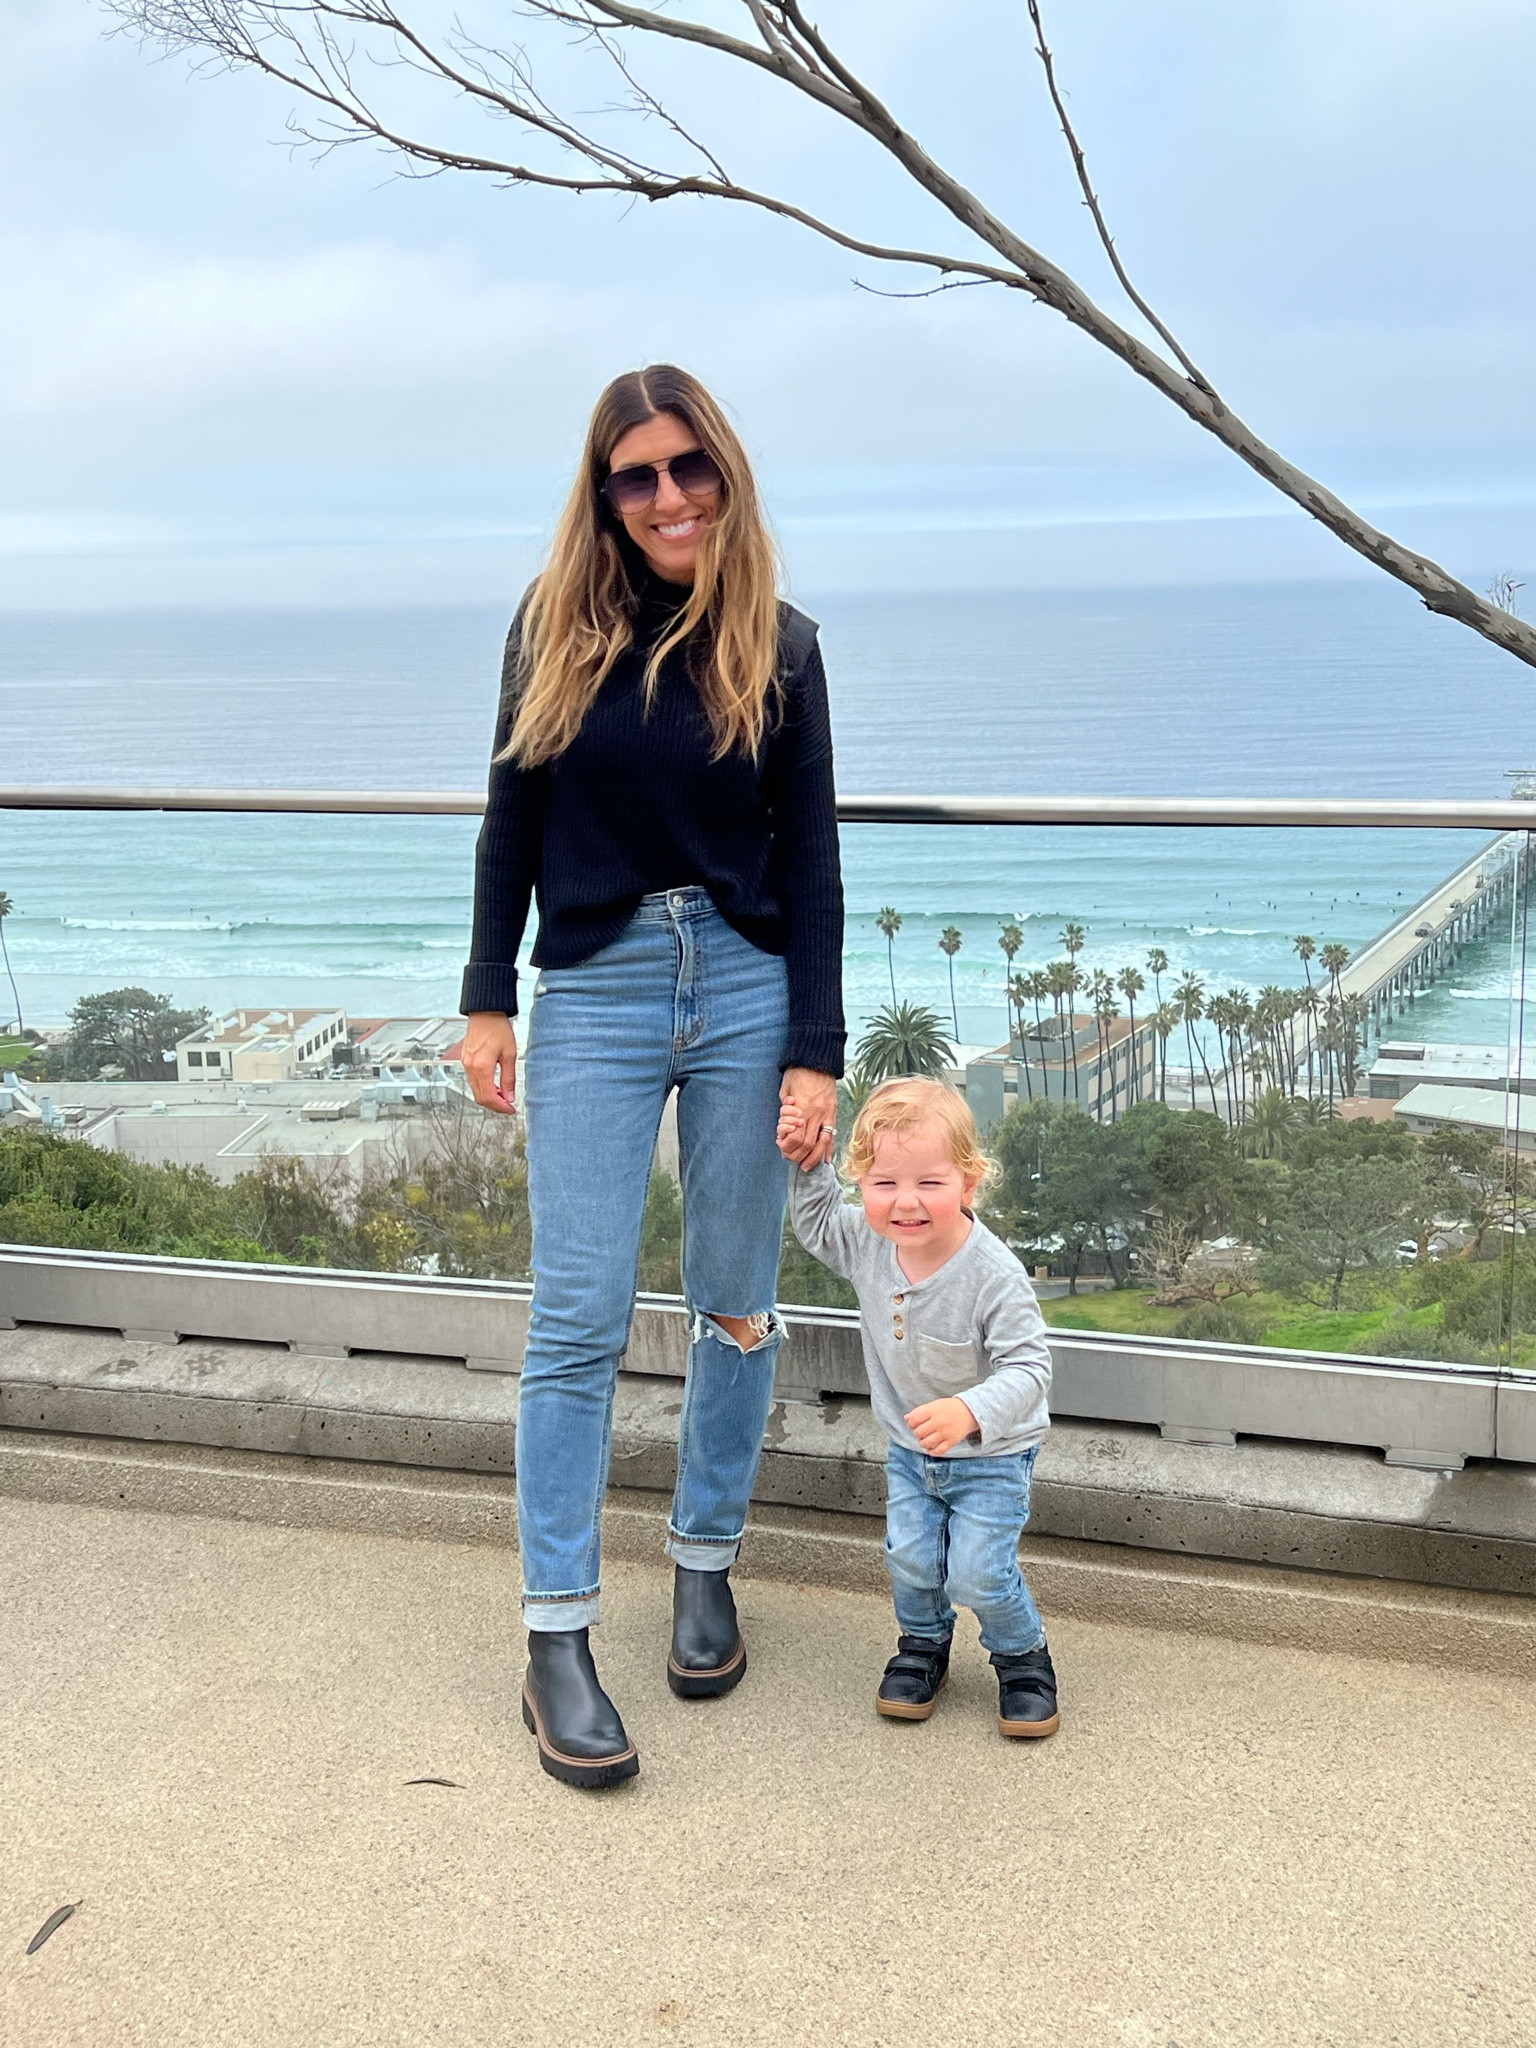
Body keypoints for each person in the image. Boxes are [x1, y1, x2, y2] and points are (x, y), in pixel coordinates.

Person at [460, 364, 845, 1790]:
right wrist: (486, 998)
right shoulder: (550, 629)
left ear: (724, 476)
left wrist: (817, 1048)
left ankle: (703, 1562)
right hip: (601, 988)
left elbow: (810, 860)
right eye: (638, 475)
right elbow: (512, 823)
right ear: (604, 494)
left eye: (690, 468)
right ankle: (556, 1634)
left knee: (739, 1301)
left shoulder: (784, 646)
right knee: (579, 1314)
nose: (669, 496)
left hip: (746, 985)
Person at [778, 1077, 1060, 1738]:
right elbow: (817, 1224)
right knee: (908, 1556)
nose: (905, 1203)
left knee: (979, 1572)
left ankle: (1023, 1657)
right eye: (883, 1184)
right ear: (863, 1184)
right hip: (910, 1452)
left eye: (929, 1184)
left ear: (968, 1183)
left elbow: (1031, 1367)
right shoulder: (870, 1245)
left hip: (992, 1454)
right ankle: (923, 1645)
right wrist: (809, 1164)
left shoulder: (994, 1274)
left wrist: (969, 1410)